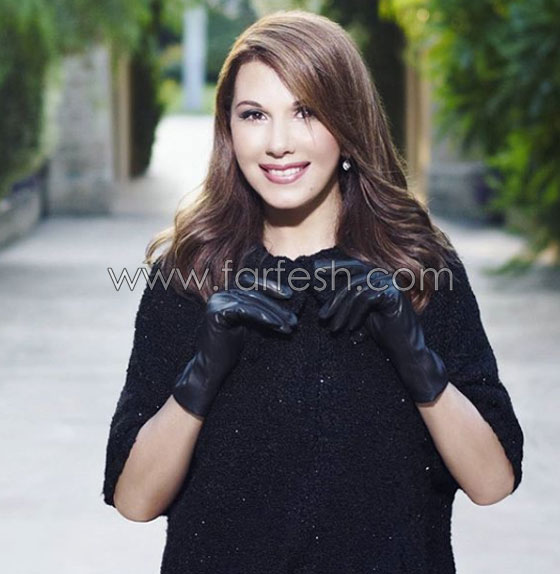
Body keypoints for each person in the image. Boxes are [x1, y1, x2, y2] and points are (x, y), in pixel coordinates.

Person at [102, 10, 524, 574]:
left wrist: (416, 357)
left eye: (306, 112)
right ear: (229, 130)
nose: (278, 143)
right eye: (254, 114)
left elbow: (492, 482)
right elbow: (134, 500)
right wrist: (201, 374)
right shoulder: (190, 273)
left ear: (347, 124)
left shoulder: (420, 268)